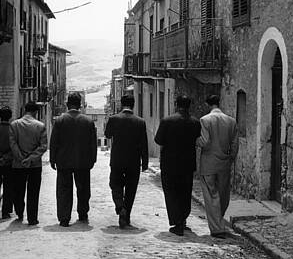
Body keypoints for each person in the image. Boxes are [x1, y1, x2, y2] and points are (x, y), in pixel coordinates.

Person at [154, 95, 201, 236]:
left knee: (171, 192)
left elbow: (158, 140)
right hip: (187, 164)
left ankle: (177, 222)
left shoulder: (167, 121)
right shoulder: (195, 122)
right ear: (189, 106)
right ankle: (183, 218)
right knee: (185, 192)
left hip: (170, 163)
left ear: (176, 104)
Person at [49, 91, 97, 227]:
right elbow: (93, 143)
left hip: (63, 162)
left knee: (64, 189)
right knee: (83, 189)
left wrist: (53, 159)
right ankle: (82, 213)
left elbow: (54, 142)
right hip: (83, 162)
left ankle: (64, 218)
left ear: (67, 104)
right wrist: (92, 160)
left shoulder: (60, 120)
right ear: (80, 105)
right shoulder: (88, 121)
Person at [196, 94, 239, 238]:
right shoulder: (231, 121)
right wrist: (230, 158)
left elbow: (205, 141)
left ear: (208, 105)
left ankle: (216, 228)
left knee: (211, 195)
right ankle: (219, 222)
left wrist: (197, 142)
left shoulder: (205, 120)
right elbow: (234, 144)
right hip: (224, 163)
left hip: (208, 163)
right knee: (223, 195)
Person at [104, 95, 148, 229]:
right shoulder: (140, 122)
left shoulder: (113, 119)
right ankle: (126, 215)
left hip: (117, 160)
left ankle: (120, 206)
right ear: (133, 105)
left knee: (115, 184)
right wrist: (144, 163)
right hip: (133, 162)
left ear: (122, 104)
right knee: (131, 189)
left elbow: (107, 135)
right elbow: (144, 144)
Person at [8, 101, 48, 226]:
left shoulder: (14, 125)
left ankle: (19, 212)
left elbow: (12, 144)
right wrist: (30, 159)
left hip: (18, 165)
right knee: (33, 192)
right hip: (34, 165)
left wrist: (21, 159)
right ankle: (32, 218)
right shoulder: (40, 126)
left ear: (25, 110)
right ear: (36, 112)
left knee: (18, 190)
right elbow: (43, 146)